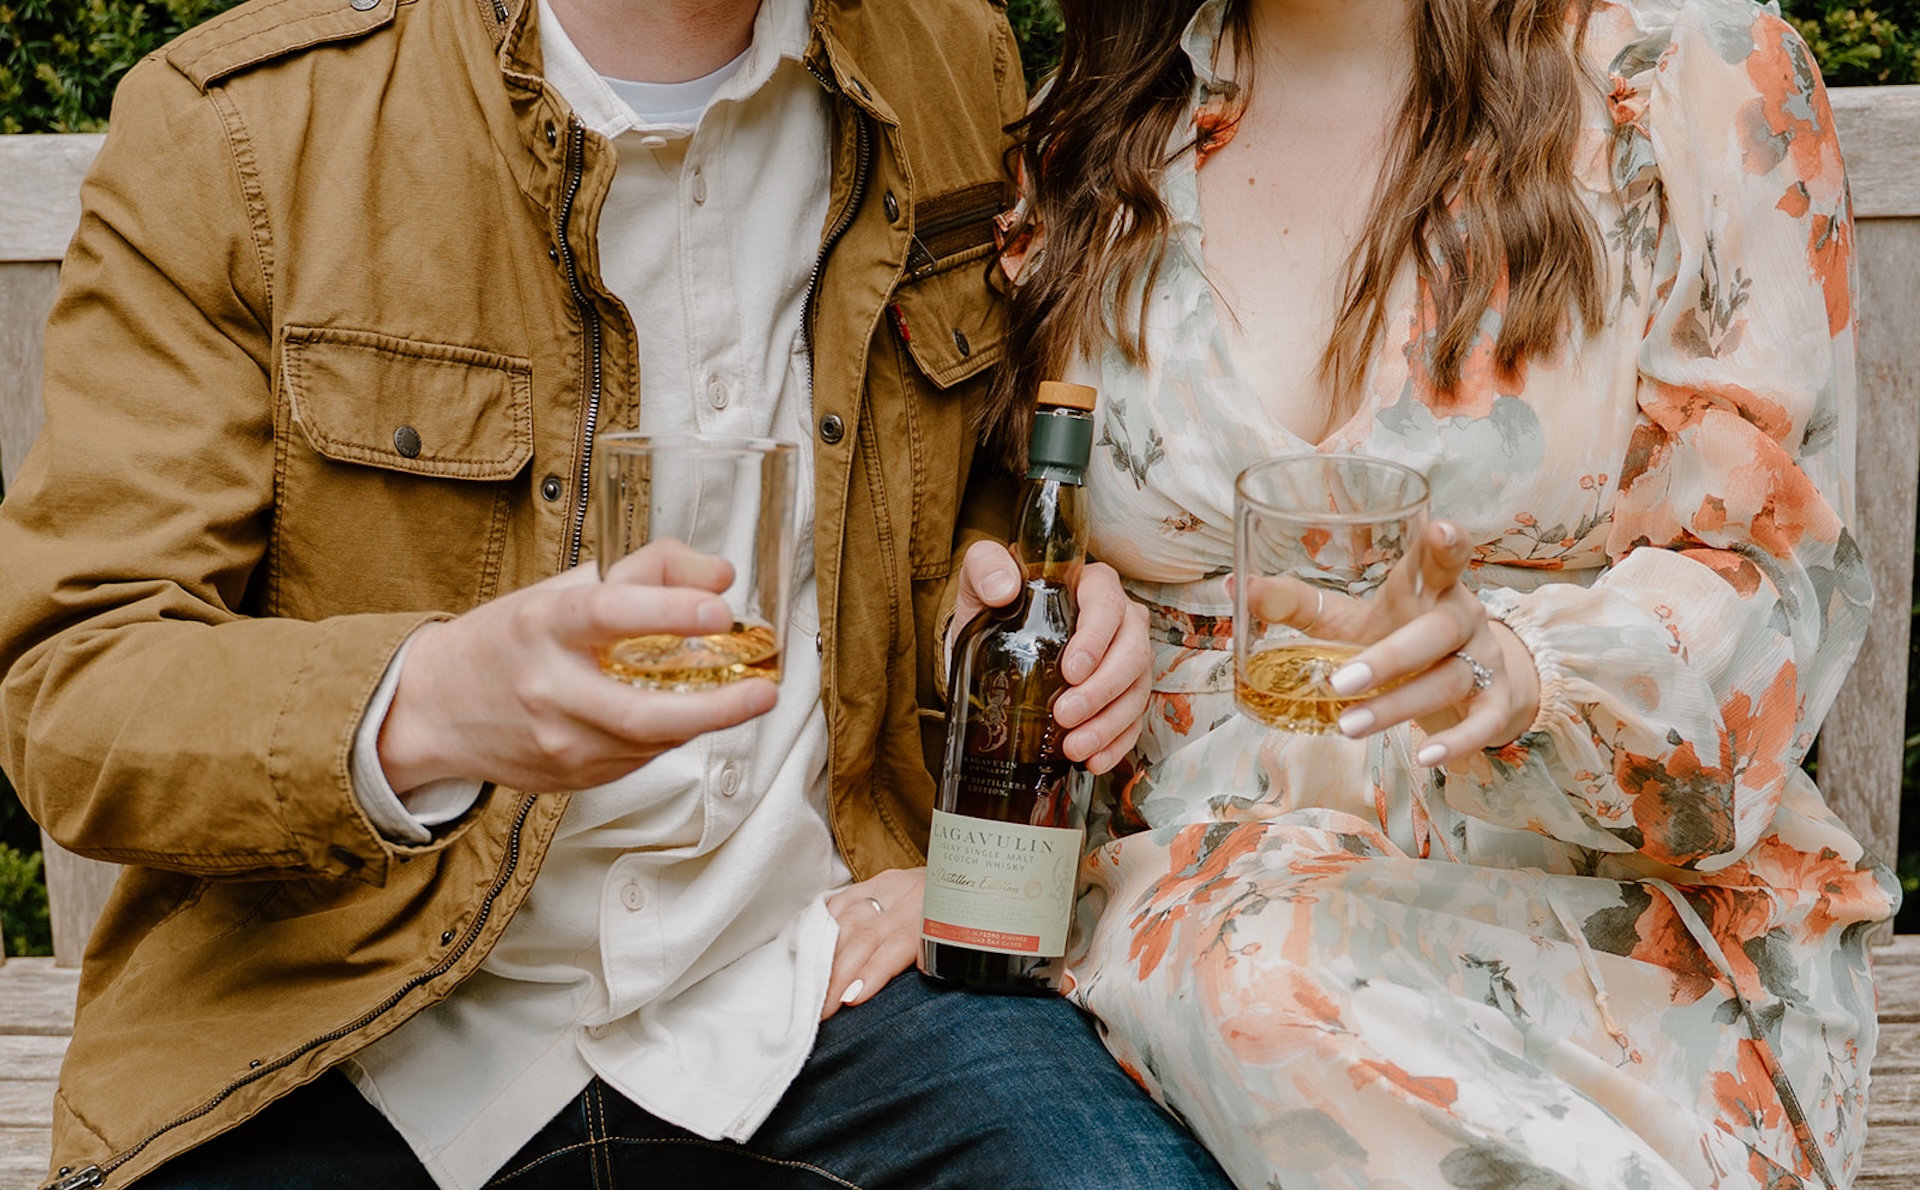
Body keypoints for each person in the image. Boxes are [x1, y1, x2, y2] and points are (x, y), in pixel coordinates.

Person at [0, 0, 1236, 1187]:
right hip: (352, 1021)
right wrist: (422, 705)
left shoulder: (949, 61)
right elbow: (77, 680)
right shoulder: (242, 128)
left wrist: (1003, 610)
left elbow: (984, 475)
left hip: (817, 980)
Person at [991, 0, 1897, 1186]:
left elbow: (1772, 594)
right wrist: (1050, 609)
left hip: (1597, 944)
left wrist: (1518, 672)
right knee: (1238, 972)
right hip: (1160, 917)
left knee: (1260, 976)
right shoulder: (1101, 128)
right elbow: (1019, 532)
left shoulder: (1688, 71)